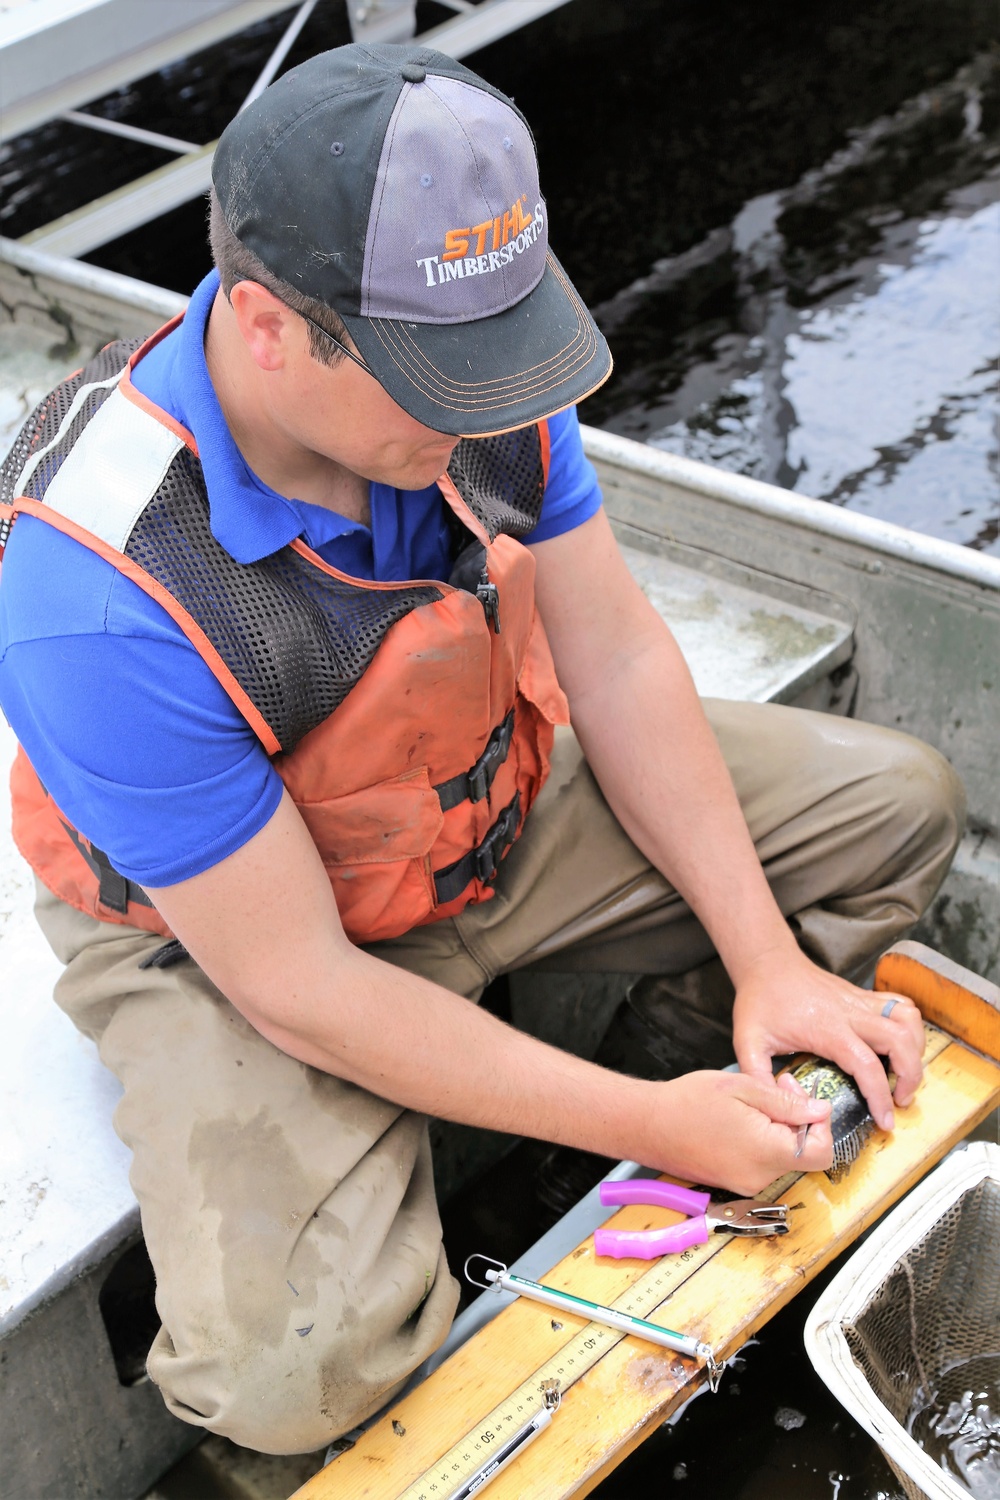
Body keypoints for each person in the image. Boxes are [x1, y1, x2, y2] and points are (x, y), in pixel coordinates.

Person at [0, 42, 963, 1456]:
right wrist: (651, 1118)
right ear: (265, 326)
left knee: (895, 807)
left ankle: (675, 1110)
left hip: (474, 808)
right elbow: (304, 986)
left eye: (498, 353)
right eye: (436, 375)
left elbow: (618, 661)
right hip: (241, 940)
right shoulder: (96, 592)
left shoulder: (476, 379)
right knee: (294, 1371)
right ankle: (641, 1134)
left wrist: (765, 964)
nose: (487, 404)